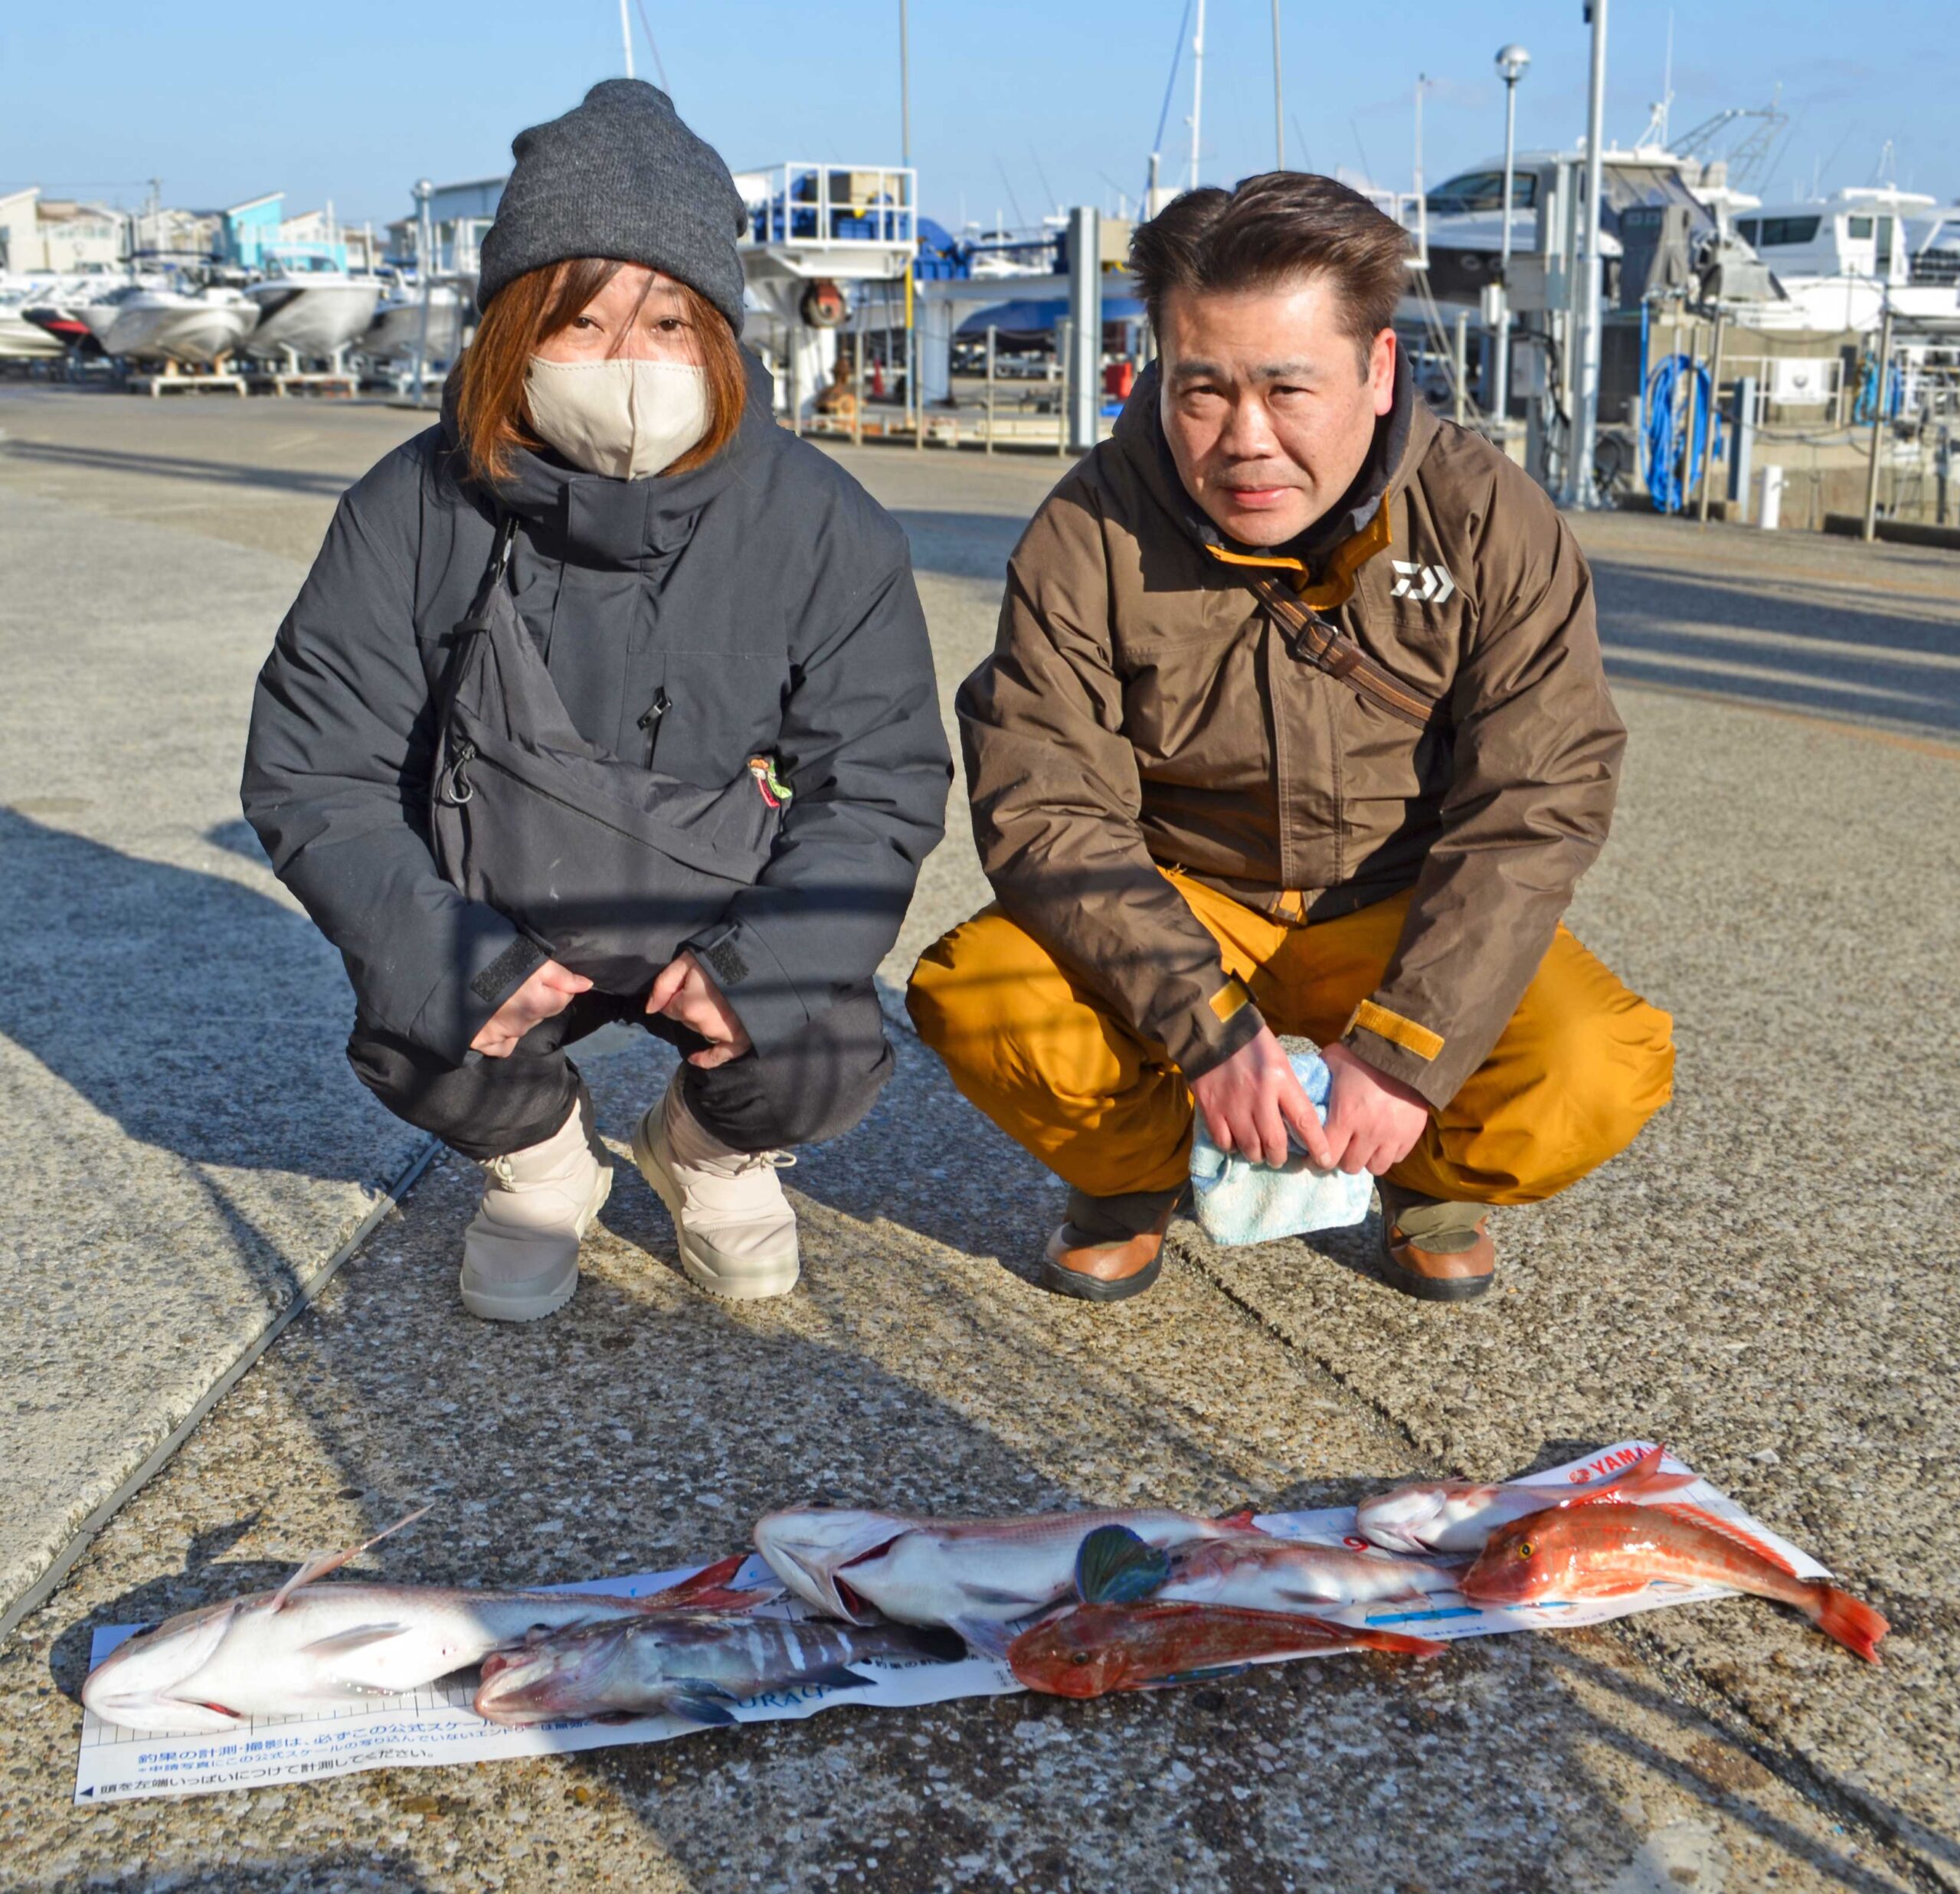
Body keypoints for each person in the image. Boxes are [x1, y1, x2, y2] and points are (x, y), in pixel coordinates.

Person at [243, 82, 949, 1322]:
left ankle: (706, 1151)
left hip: (718, 923)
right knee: (409, 1019)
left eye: (672, 320)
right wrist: (452, 962)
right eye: (582, 320)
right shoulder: (408, 507)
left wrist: (766, 966)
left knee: (828, 1039)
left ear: (723, 337)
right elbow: (317, 771)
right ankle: (540, 1161)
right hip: (503, 914)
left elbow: (880, 779)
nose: (633, 364)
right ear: (511, 334)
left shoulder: (827, 523)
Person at [908, 172, 1673, 1304]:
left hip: (1398, 905)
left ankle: (1416, 1172)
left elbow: (1538, 797)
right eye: (1202, 389)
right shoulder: (1089, 527)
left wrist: (1412, 1044)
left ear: (1376, 371)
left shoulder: (1488, 516)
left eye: (1286, 387)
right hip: (1188, 901)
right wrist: (1205, 1026)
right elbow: (1046, 803)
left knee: (1601, 1065)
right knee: (975, 991)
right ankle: (1137, 1177)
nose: (1244, 440)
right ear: (1158, 370)